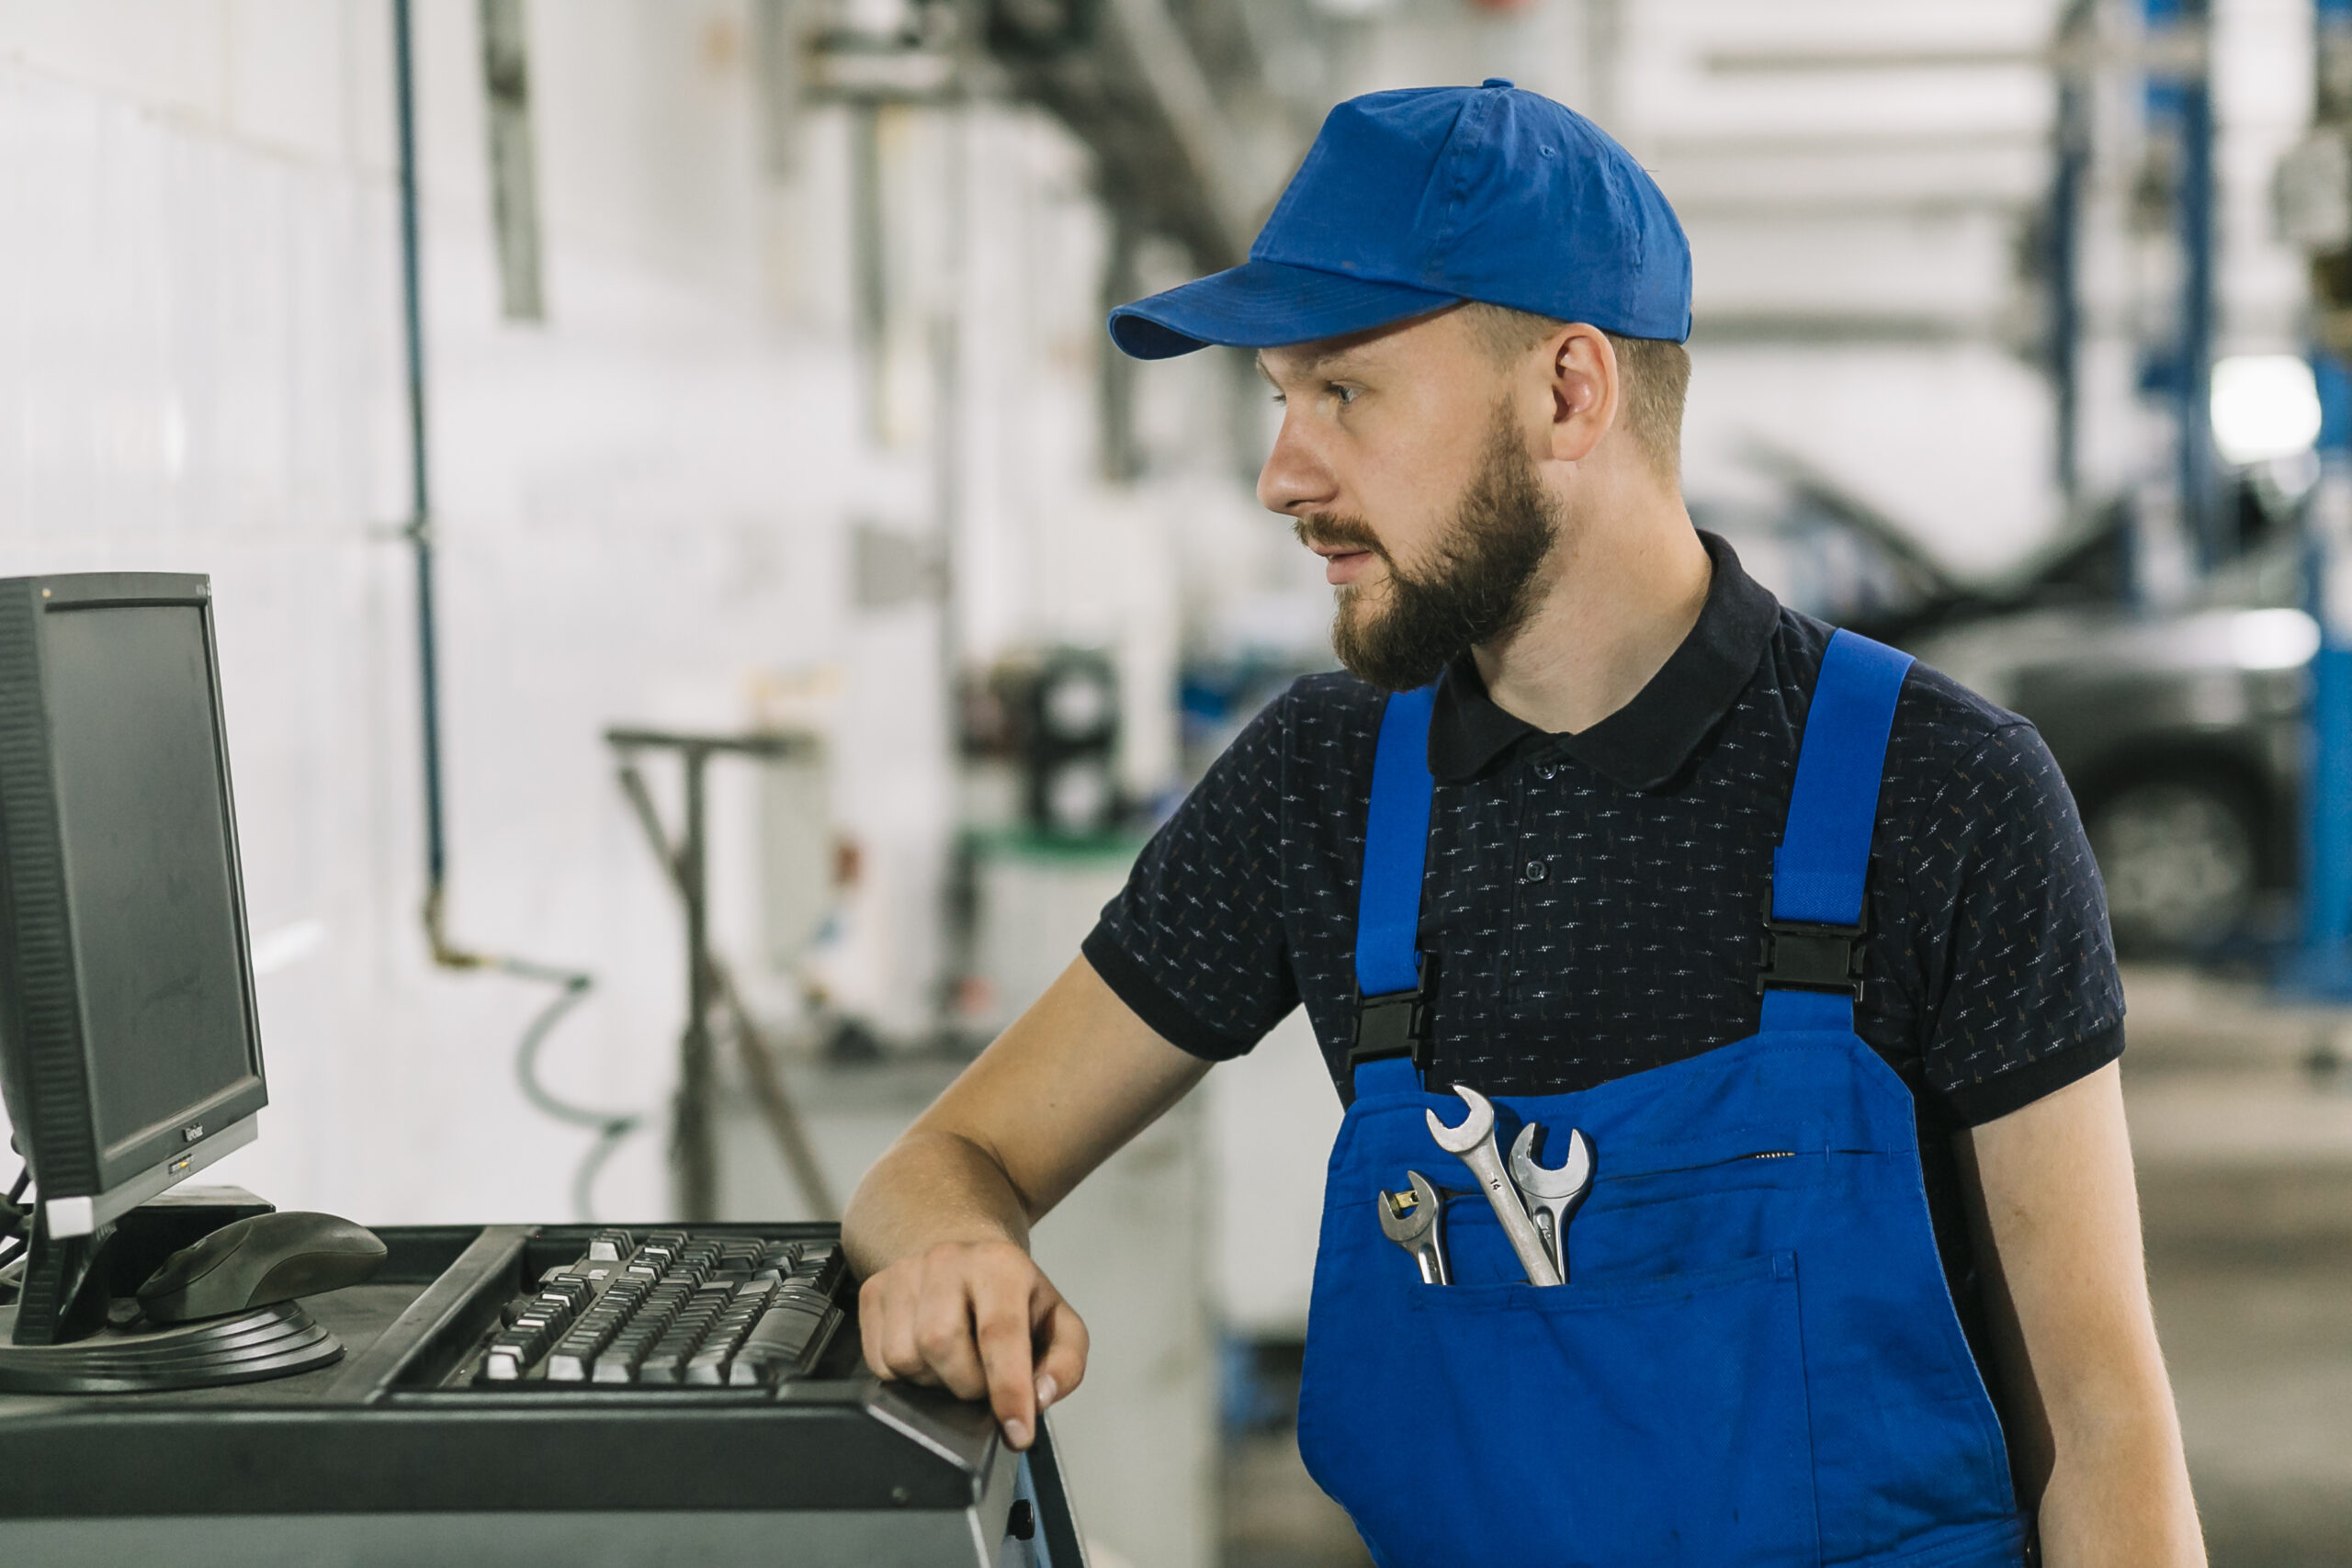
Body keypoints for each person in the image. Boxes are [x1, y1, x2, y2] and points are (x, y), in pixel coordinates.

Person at [843, 81, 2204, 1566]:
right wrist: (951, 1244)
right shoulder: (1322, 785)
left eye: (1345, 394)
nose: (1283, 475)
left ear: (1570, 391)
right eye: (1279, 400)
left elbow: (2105, 1419)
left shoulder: (1941, 791)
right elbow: (947, 1156)